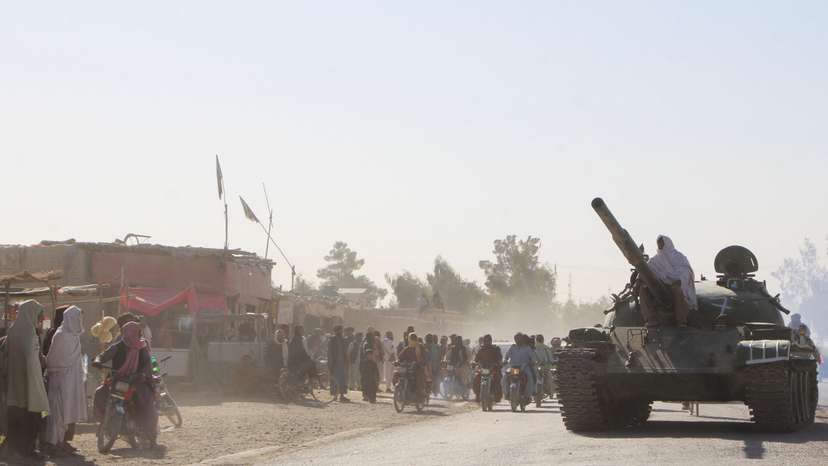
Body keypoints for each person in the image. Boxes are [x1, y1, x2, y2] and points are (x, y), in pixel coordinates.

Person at [94, 321, 158, 449]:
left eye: (134, 332)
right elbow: (103, 355)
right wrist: (97, 361)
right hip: (118, 379)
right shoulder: (118, 346)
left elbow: (147, 363)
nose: (130, 335)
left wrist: (144, 375)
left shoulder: (142, 347)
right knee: (100, 393)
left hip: (137, 381)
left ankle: (150, 434)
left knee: (146, 403)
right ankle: (102, 421)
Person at [3, 300, 50, 461]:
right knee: (31, 419)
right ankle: (27, 451)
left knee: (15, 420)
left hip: (13, 386)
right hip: (28, 385)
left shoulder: (13, 330)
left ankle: (14, 451)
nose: (39, 319)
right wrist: (37, 387)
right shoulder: (30, 333)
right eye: (38, 315)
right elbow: (32, 362)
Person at [44, 306, 86, 455]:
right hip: (60, 380)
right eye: (77, 319)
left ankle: (61, 442)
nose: (79, 322)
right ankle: (53, 444)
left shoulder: (74, 336)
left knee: (65, 414)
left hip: (71, 381)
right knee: (57, 414)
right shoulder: (61, 335)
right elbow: (53, 361)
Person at [641, 235, 697, 328]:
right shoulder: (655, 260)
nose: (659, 245)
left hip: (676, 285)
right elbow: (649, 270)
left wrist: (679, 280)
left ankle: (681, 321)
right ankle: (651, 319)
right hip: (660, 287)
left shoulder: (679, 257)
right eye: (658, 243)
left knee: (676, 290)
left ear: (667, 243)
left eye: (661, 242)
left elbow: (686, 271)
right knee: (643, 290)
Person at [502, 333, 537, 400]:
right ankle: (506, 394)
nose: (517, 340)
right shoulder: (512, 347)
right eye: (516, 339)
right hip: (513, 367)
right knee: (504, 377)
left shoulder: (527, 348)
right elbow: (506, 356)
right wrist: (504, 360)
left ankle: (528, 395)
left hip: (524, 367)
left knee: (530, 377)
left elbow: (533, 358)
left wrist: (532, 362)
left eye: (519, 339)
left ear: (522, 339)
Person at [397, 333, 432, 398]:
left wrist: (419, 362)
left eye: (413, 339)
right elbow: (400, 357)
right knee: (397, 374)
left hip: (418, 368)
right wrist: (397, 362)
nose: (412, 341)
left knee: (418, 379)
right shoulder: (407, 348)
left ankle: (421, 393)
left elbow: (424, 358)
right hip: (409, 368)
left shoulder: (420, 347)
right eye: (411, 339)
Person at [473, 334, 503, 402]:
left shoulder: (495, 349)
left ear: (491, 341)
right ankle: (477, 395)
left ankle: (497, 396)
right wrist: (474, 363)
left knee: (497, 378)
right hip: (483, 369)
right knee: (476, 378)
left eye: (488, 340)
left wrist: (498, 364)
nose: (487, 342)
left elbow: (499, 358)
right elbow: (476, 359)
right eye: (485, 340)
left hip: (493, 369)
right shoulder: (481, 349)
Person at [327, 326, 350, 402]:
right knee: (335, 379)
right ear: (337, 331)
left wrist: (346, 360)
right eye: (340, 330)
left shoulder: (342, 340)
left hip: (342, 363)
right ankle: (335, 396)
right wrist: (330, 363)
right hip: (335, 363)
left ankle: (342, 395)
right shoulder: (332, 340)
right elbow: (330, 352)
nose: (341, 332)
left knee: (342, 379)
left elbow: (345, 351)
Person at [360, 332, 379, 403]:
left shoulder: (373, 363)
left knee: (373, 386)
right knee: (365, 385)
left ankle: (372, 397)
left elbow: (376, 371)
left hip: (371, 377)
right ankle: (366, 396)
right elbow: (361, 369)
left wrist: (377, 377)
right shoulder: (366, 344)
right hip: (365, 377)